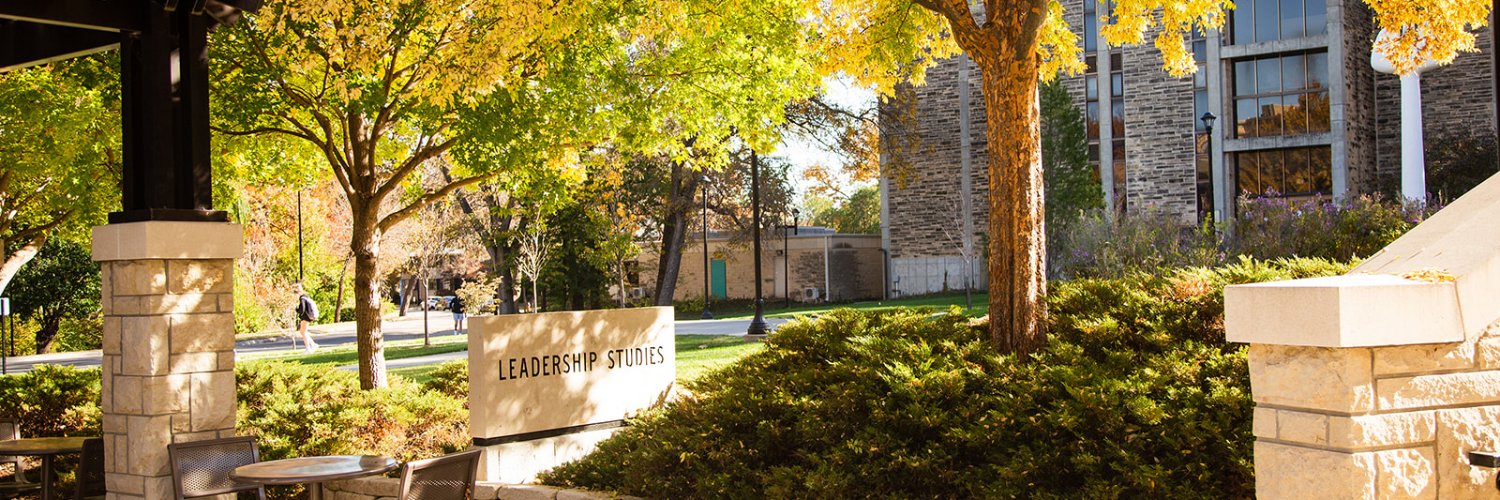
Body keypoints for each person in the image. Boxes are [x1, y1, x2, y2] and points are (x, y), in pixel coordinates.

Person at [294, 282, 319, 353]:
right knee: (303, 331)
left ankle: (308, 348)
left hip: (306, 316)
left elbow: (302, 309)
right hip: (310, 316)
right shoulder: (306, 297)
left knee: (303, 332)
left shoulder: (302, 298)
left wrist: (297, 309)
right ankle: (313, 344)